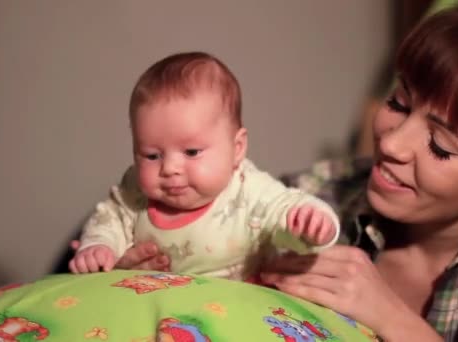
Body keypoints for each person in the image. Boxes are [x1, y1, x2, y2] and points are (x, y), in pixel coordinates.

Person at [83, 6, 458, 341]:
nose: (391, 143)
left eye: (440, 146)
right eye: (398, 103)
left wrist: (391, 318)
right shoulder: (323, 193)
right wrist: (142, 272)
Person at [68, 52, 340, 280]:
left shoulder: (248, 190)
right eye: (152, 155)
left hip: (237, 310)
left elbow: (285, 208)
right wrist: (99, 247)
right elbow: (110, 218)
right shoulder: (136, 191)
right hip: (156, 306)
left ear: (237, 149)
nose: (170, 168)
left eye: (192, 151)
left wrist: (310, 221)